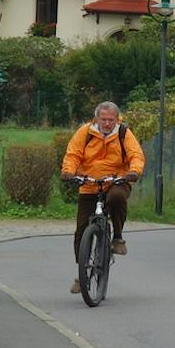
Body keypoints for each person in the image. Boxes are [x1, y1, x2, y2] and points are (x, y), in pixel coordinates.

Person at [61, 100, 144, 292]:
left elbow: (136, 155)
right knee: (82, 229)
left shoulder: (124, 133)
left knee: (116, 198)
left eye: (111, 120)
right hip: (89, 184)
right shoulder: (85, 132)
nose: (107, 123)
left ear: (117, 119)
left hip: (116, 181)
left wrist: (133, 172)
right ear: (97, 118)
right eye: (104, 119)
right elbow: (73, 154)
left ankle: (118, 237)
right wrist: (68, 171)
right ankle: (82, 271)